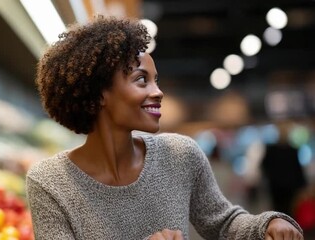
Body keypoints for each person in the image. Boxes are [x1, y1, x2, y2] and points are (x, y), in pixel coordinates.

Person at [26, 15, 303, 240]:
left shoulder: (181, 154)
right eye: (141, 80)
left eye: (156, 80)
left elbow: (223, 222)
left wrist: (266, 224)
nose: (158, 92)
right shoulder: (50, 182)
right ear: (99, 93)